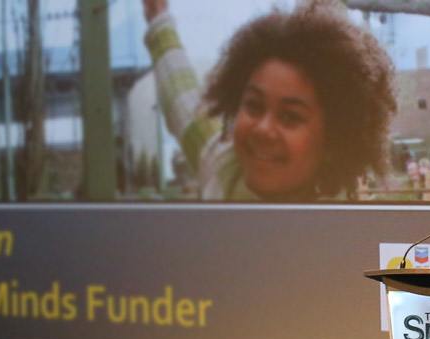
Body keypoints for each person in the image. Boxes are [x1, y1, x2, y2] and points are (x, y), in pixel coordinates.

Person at [141, 0, 396, 201]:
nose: (263, 128)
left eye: (290, 117)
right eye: (254, 105)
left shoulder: (340, 233)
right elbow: (183, 104)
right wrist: (159, 20)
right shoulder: (224, 168)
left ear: (333, 142)